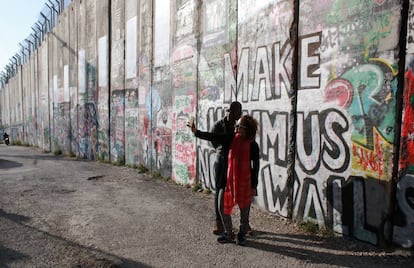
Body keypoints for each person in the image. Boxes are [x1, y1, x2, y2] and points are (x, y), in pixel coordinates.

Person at [189, 115, 260, 246]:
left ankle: (242, 235)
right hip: (228, 181)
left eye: (241, 127)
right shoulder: (231, 138)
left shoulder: (253, 146)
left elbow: (255, 167)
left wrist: (254, 185)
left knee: (245, 213)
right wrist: (196, 132)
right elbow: (214, 136)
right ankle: (229, 232)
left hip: (245, 183)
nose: (237, 129)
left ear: (248, 130)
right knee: (222, 207)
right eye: (237, 126)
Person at [210, 101, 242, 235]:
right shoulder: (219, 125)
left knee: (236, 191)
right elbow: (213, 139)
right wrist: (220, 149)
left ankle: (242, 223)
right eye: (233, 112)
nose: (235, 116)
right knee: (219, 190)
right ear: (229, 111)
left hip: (233, 163)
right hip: (221, 162)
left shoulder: (238, 127)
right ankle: (219, 222)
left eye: (238, 114)